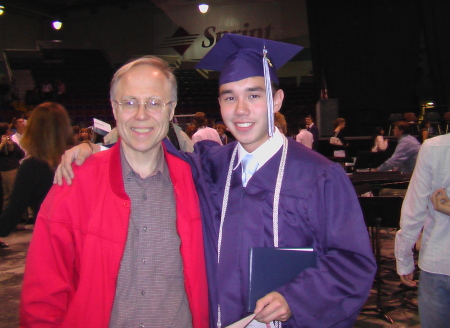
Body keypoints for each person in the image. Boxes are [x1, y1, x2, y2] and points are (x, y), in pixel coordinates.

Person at [55, 35, 376, 328]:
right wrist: (96, 147)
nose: (241, 110)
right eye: (229, 97)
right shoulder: (211, 166)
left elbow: (353, 261)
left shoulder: (319, 175)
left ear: (276, 100)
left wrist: (295, 299)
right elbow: (150, 146)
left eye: (253, 95)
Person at [20, 56, 209, 327]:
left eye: (154, 103)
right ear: (114, 108)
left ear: (171, 111)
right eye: (129, 102)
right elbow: (43, 295)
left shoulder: (197, 183)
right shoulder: (74, 184)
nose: (141, 114)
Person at [395, 132, 450, 328]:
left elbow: (414, 209)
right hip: (437, 264)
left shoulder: (434, 148)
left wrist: (404, 258)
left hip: (438, 262)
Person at [0, 103, 74, 237]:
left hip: (51, 242)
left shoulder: (31, 167)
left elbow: (12, 215)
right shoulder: (80, 160)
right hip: (84, 244)